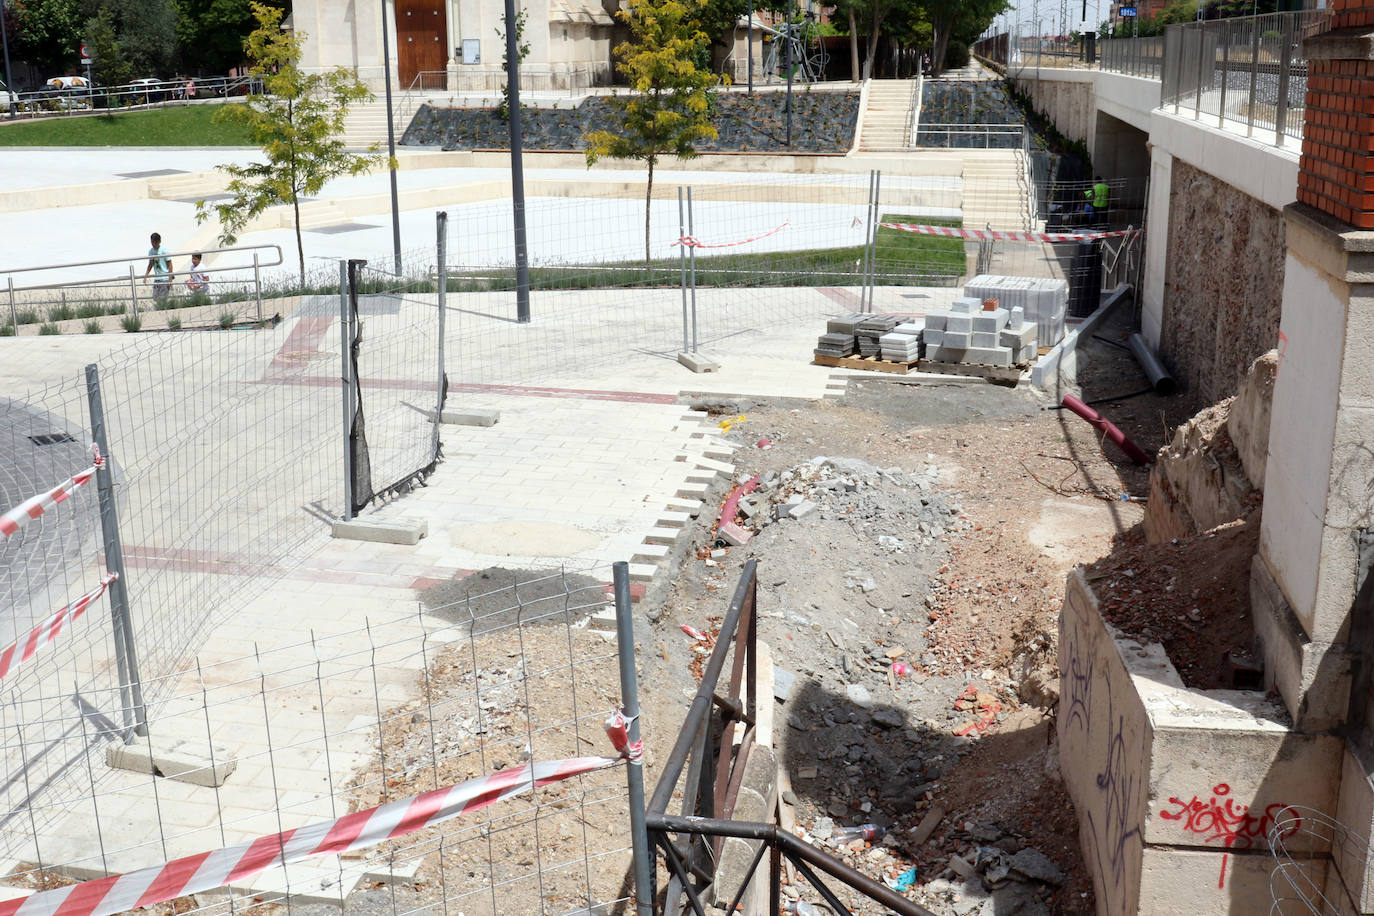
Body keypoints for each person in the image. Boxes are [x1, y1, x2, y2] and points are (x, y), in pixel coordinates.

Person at [144, 232, 174, 303]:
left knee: (163, 298)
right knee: (155, 297)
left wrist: (170, 278)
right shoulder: (151, 252)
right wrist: (146, 276)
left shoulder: (164, 251)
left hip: (165, 278)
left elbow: (170, 264)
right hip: (157, 278)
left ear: (159, 241)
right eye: (152, 242)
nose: (154, 244)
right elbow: (150, 264)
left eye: (155, 242)